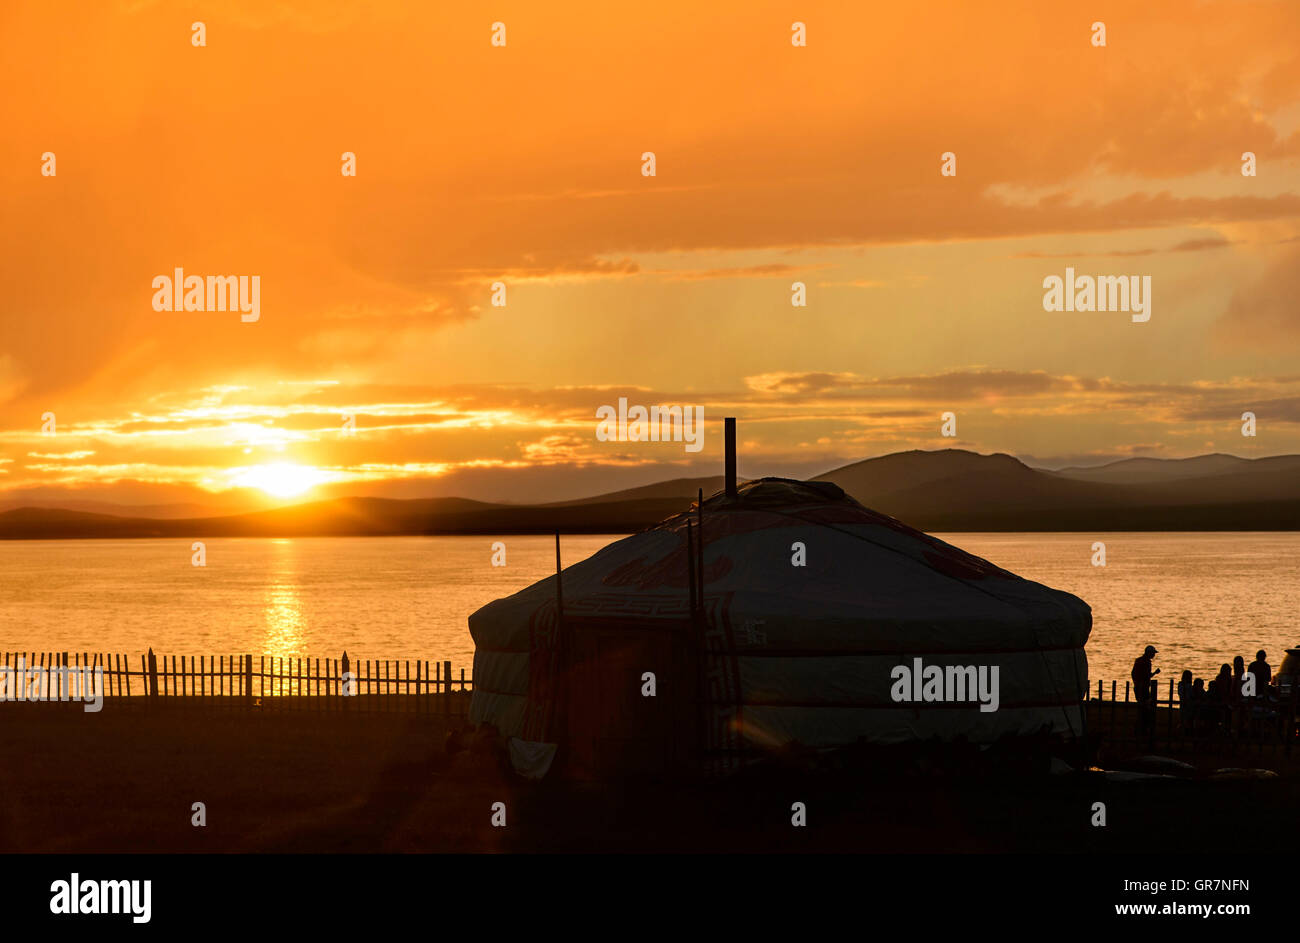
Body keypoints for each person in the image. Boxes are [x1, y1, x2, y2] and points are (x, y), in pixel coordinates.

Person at [1132, 645, 1160, 735]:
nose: (1154, 655)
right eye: (1153, 653)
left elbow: (1134, 674)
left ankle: (1140, 728)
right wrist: (1155, 673)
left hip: (1138, 687)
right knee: (1145, 708)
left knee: (1142, 708)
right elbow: (1146, 676)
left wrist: (1136, 683)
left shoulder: (1138, 660)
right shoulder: (1146, 662)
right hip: (1143, 689)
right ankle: (1142, 729)